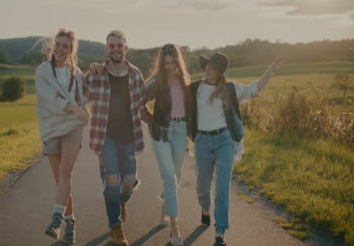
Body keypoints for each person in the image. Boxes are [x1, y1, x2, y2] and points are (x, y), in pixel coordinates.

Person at [189, 52, 287, 246]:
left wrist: (272, 69)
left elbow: (255, 88)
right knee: (202, 187)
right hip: (201, 142)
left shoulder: (231, 89)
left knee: (222, 188)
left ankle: (220, 232)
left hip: (224, 142)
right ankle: (205, 207)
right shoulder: (195, 88)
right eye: (207, 66)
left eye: (213, 68)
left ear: (219, 72)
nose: (208, 70)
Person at [84, 30, 151, 246]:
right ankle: (116, 229)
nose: (115, 49)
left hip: (130, 136)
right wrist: (84, 70)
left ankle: (120, 201)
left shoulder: (135, 74)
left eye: (118, 45)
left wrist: (159, 123)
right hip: (105, 137)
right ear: (107, 49)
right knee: (112, 180)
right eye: (111, 46)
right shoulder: (96, 73)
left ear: (125, 47)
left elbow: (142, 105)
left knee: (129, 182)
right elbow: (79, 95)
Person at [35, 29, 89, 245]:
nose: (59, 49)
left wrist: (94, 72)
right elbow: (48, 99)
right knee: (61, 182)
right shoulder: (43, 71)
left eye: (65, 46)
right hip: (51, 128)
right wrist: (72, 108)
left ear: (71, 49)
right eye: (57, 44)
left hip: (72, 127)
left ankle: (56, 221)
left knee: (66, 173)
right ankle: (70, 221)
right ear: (53, 46)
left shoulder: (77, 73)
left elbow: (87, 93)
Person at [143, 44, 192, 246]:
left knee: (176, 175)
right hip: (161, 133)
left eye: (172, 63)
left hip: (181, 131)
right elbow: (139, 100)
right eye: (166, 63)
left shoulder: (185, 80)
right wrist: (150, 119)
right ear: (161, 63)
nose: (169, 67)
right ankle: (175, 231)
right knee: (170, 179)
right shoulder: (156, 80)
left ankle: (164, 209)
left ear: (178, 61)